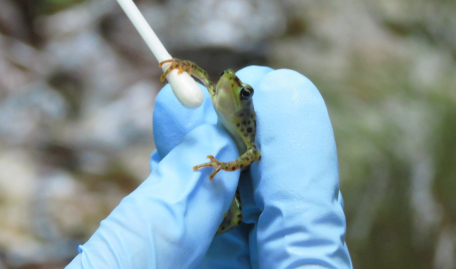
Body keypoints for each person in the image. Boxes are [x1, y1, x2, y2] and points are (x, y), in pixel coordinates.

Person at [66, 66, 352, 268]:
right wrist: (182, 68)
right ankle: (206, 229)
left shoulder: (244, 115)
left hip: (237, 170)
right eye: (227, 76)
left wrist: (226, 165)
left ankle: (212, 228)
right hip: (220, 158)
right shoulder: (217, 92)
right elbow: (201, 76)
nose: (230, 80)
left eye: (243, 91)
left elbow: (254, 153)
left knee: (237, 215)